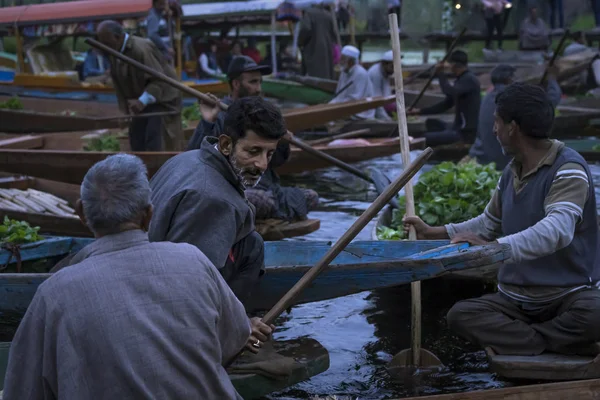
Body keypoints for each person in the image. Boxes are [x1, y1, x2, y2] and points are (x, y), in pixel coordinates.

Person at [3, 154, 274, 399]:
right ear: (148, 216)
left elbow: (22, 391)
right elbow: (232, 340)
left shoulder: (53, 293)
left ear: (81, 214)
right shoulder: (193, 260)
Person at [405, 82, 600, 357]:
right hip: (515, 302)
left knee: (595, 313)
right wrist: (433, 232)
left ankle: (529, 341)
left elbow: (557, 231)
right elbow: (487, 223)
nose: (493, 129)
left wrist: (494, 248)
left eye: (497, 122)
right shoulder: (511, 171)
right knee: (460, 315)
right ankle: (551, 341)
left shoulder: (568, 170)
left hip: (566, 298)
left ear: (513, 127)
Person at [150, 97, 287, 307]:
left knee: (251, 243)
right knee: (254, 247)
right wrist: (234, 324)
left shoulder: (188, 158)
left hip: (151, 262)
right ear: (225, 144)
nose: (262, 164)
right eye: (253, 151)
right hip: (160, 290)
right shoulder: (215, 199)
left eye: (269, 154)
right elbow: (189, 283)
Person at [187, 56, 319, 223]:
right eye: (253, 82)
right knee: (260, 200)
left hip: (267, 187)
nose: (258, 89)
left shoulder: (263, 113)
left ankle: (267, 211)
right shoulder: (221, 115)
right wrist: (207, 121)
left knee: (311, 197)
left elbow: (276, 162)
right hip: (236, 188)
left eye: (260, 82)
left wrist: (281, 143)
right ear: (236, 84)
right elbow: (195, 157)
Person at [97, 20, 183, 152]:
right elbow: (119, 87)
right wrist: (124, 112)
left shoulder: (141, 48)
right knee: (136, 141)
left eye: (107, 43)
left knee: (155, 142)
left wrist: (141, 101)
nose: (104, 47)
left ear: (118, 37)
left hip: (162, 101)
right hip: (141, 102)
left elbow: (159, 80)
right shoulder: (113, 51)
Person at [467, 64, 562, 170]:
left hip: (485, 157)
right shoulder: (512, 100)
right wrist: (552, 80)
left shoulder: (486, 98)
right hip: (503, 161)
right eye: (515, 78)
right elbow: (551, 100)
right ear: (509, 79)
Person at [407, 50, 481, 146]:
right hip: (456, 127)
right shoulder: (461, 80)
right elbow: (446, 104)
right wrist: (419, 111)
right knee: (431, 123)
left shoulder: (469, 79)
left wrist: (440, 74)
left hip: (464, 133)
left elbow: (448, 91)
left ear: (454, 65)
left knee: (424, 138)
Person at [329, 45, 375, 120]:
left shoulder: (360, 73)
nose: (340, 61)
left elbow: (355, 98)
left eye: (343, 59)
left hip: (360, 111)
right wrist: (329, 105)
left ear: (350, 61)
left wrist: (336, 106)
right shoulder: (344, 71)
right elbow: (339, 94)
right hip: (344, 106)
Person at [298, 3, 337, 79]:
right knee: (326, 72)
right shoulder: (328, 15)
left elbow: (305, 29)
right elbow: (333, 33)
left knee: (314, 73)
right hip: (327, 49)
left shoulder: (309, 13)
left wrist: (300, 42)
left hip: (313, 48)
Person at [367, 50, 394, 120]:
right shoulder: (375, 73)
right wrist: (387, 119)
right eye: (392, 66)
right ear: (384, 64)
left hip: (383, 105)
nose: (394, 69)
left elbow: (387, 94)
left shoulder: (385, 72)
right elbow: (376, 100)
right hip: (370, 107)